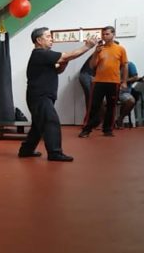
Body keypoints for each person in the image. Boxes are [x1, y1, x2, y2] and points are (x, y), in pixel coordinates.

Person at [19, 28, 97, 162]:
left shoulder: (44, 56)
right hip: (40, 96)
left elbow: (58, 70)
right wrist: (88, 46)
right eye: (48, 36)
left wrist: (64, 63)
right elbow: (67, 55)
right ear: (39, 40)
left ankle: (26, 150)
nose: (51, 39)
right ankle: (55, 152)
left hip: (42, 96)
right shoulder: (40, 53)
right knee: (51, 121)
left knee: (38, 126)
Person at [79, 26, 128, 138]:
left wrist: (124, 82)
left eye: (107, 34)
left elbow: (125, 66)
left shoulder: (120, 49)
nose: (105, 36)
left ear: (113, 34)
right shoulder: (99, 49)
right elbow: (92, 66)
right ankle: (86, 129)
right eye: (103, 34)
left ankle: (108, 130)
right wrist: (96, 52)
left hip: (114, 82)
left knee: (111, 106)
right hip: (99, 82)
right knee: (94, 106)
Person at [116, 60, 140, 128]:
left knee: (131, 101)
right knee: (100, 100)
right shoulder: (112, 65)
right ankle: (104, 123)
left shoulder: (130, 64)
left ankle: (120, 119)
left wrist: (123, 81)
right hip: (111, 91)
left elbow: (135, 78)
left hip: (124, 91)